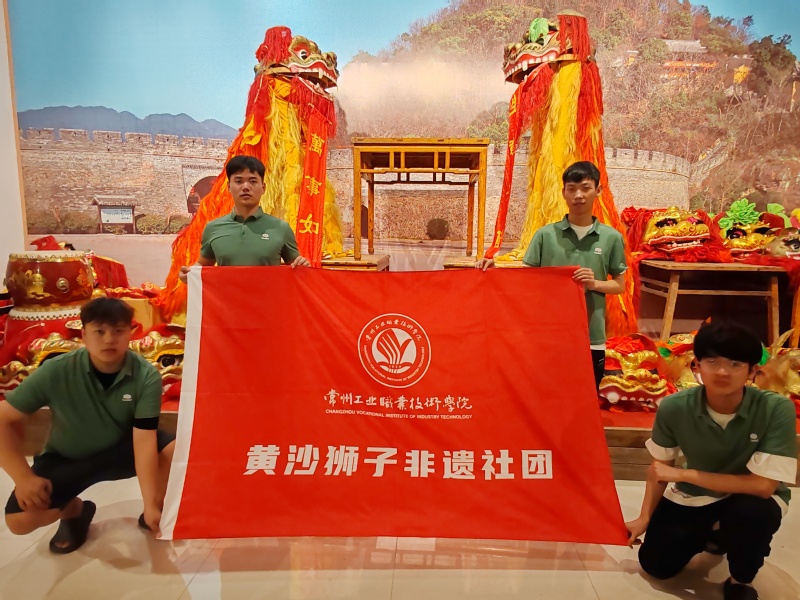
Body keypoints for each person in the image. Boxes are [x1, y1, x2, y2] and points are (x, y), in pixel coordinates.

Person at [625, 321, 797, 600]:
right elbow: (659, 468)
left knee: (754, 514)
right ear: (696, 365)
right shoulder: (674, 407)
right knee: (655, 564)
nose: (722, 372)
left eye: (735, 364)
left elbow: (763, 486)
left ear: (752, 371)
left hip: (750, 499)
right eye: (712, 361)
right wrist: (643, 518)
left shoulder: (775, 408)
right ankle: (716, 535)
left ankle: (741, 579)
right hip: (694, 496)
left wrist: (685, 475)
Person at [0, 298, 175, 553]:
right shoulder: (57, 371)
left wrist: (150, 503)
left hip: (121, 450)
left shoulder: (146, 376)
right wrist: (23, 477)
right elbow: (3, 419)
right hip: (67, 457)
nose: (109, 339)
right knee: (19, 521)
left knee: (172, 449)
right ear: (83, 334)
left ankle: (155, 510)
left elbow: (144, 438)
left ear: (131, 332)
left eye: (118, 330)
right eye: (99, 331)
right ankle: (74, 511)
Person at [477, 161, 627, 390]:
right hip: (547, 334)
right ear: (563, 193)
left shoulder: (611, 238)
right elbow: (526, 281)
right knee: (545, 395)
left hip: (590, 336)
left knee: (585, 398)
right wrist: (494, 271)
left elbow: (619, 285)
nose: (578, 195)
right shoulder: (545, 236)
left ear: (598, 190)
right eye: (572, 189)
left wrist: (594, 283)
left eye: (585, 188)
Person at [179, 155, 310, 283]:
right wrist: (190, 273)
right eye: (238, 181)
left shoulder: (281, 228)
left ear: (263, 187)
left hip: (267, 298)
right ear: (229, 187)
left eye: (253, 181)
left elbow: (295, 269)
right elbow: (203, 265)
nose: (246, 187)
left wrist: (303, 266)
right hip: (226, 298)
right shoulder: (213, 228)